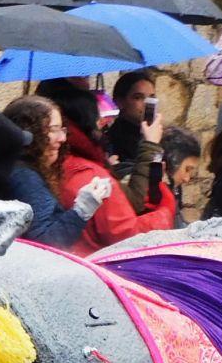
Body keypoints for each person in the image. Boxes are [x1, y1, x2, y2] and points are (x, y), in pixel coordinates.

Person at [43, 82, 175, 253]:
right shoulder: (89, 174)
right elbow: (126, 233)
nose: (103, 122)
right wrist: (165, 210)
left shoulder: (56, 164)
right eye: (138, 97)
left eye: (150, 98)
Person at [0, 97, 103, 246]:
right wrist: (82, 209)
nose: (63, 138)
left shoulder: (12, 167)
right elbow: (46, 241)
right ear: (30, 134)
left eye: (62, 130)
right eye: (53, 130)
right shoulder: (24, 177)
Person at [104, 69, 158, 164]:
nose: (147, 104)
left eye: (151, 98)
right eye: (138, 97)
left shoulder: (158, 134)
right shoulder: (114, 141)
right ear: (120, 102)